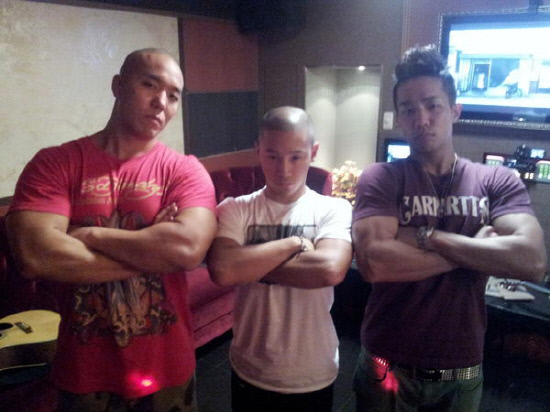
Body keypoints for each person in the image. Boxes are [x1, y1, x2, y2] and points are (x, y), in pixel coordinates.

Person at [6, 48, 217, 412]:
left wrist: (90, 235)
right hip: (83, 373)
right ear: (118, 86)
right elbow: (34, 255)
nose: (161, 102)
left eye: (173, 96)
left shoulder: (185, 170)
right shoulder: (55, 163)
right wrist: (152, 248)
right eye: (149, 85)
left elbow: (186, 250)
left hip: (167, 369)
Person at [351, 45, 547, 412]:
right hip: (386, 364)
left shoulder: (495, 180)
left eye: (433, 106)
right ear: (400, 117)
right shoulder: (382, 177)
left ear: (455, 110)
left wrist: (428, 237)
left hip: (462, 369)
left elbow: (532, 260)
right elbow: (375, 262)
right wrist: (474, 250)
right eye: (409, 109)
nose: (421, 119)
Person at [207, 106, 353, 412]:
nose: (284, 169)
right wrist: (294, 243)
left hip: (312, 370)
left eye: (295, 157)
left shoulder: (333, 209)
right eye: (272, 156)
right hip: (250, 366)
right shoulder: (236, 209)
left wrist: (248, 263)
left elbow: (329, 269)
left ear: (313, 153)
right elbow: (223, 269)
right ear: (258, 151)